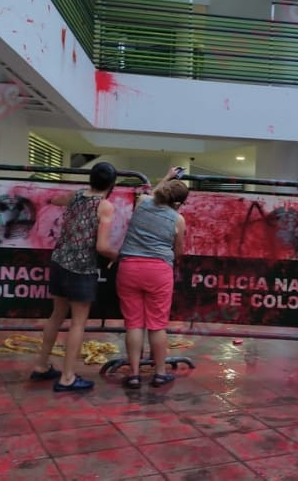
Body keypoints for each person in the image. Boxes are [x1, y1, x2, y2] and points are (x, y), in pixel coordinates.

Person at [30, 162, 118, 391]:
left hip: (59, 260)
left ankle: (41, 366)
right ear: (111, 184)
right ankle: (67, 377)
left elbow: (55, 200)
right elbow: (102, 246)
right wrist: (116, 255)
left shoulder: (77, 195)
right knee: (78, 323)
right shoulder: (105, 206)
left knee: (56, 315)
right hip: (81, 267)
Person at [116, 167, 188, 389]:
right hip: (158, 272)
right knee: (157, 326)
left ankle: (135, 375)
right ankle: (159, 373)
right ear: (179, 202)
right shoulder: (178, 219)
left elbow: (152, 194)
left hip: (128, 268)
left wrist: (166, 176)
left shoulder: (143, 204)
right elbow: (178, 252)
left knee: (133, 324)